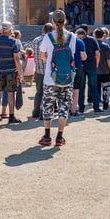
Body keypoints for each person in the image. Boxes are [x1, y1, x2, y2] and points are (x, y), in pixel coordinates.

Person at [37, 9, 76, 147]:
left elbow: (43, 56)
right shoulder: (72, 37)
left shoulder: (48, 37)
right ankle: (60, 137)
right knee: (64, 107)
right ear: (65, 21)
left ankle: (47, 136)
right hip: (67, 78)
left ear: (53, 22)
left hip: (50, 78)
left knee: (48, 106)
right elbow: (72, 54)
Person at [0, 22, 23, 124]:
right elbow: (16, 58)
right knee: (10, 94)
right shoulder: (13, 41)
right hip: (11, 71)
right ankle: (11, 116)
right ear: (9, 30)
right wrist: (20, 72)